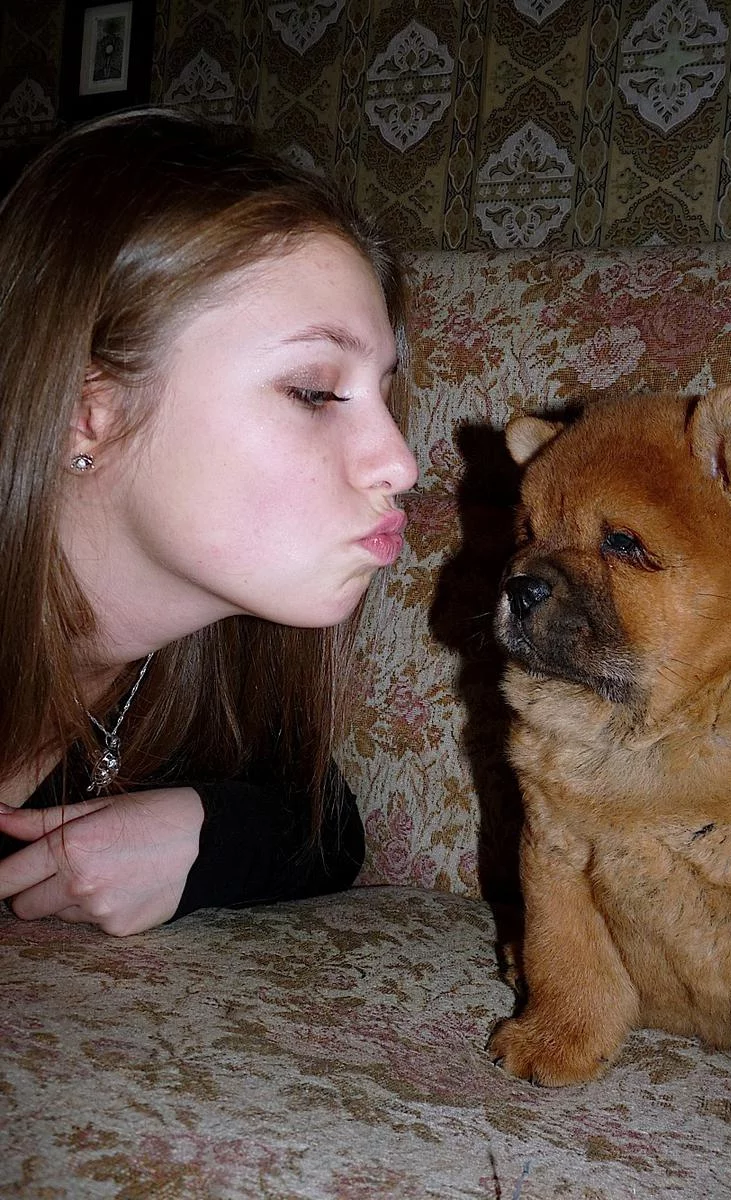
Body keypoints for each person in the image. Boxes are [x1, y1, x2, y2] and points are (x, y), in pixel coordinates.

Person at [0, 109, 419, 936]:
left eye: (383, 392)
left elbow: (320, 817)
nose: (401, 465)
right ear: (88, 413)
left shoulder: (195, 666)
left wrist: (199, 833)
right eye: (313, 391)